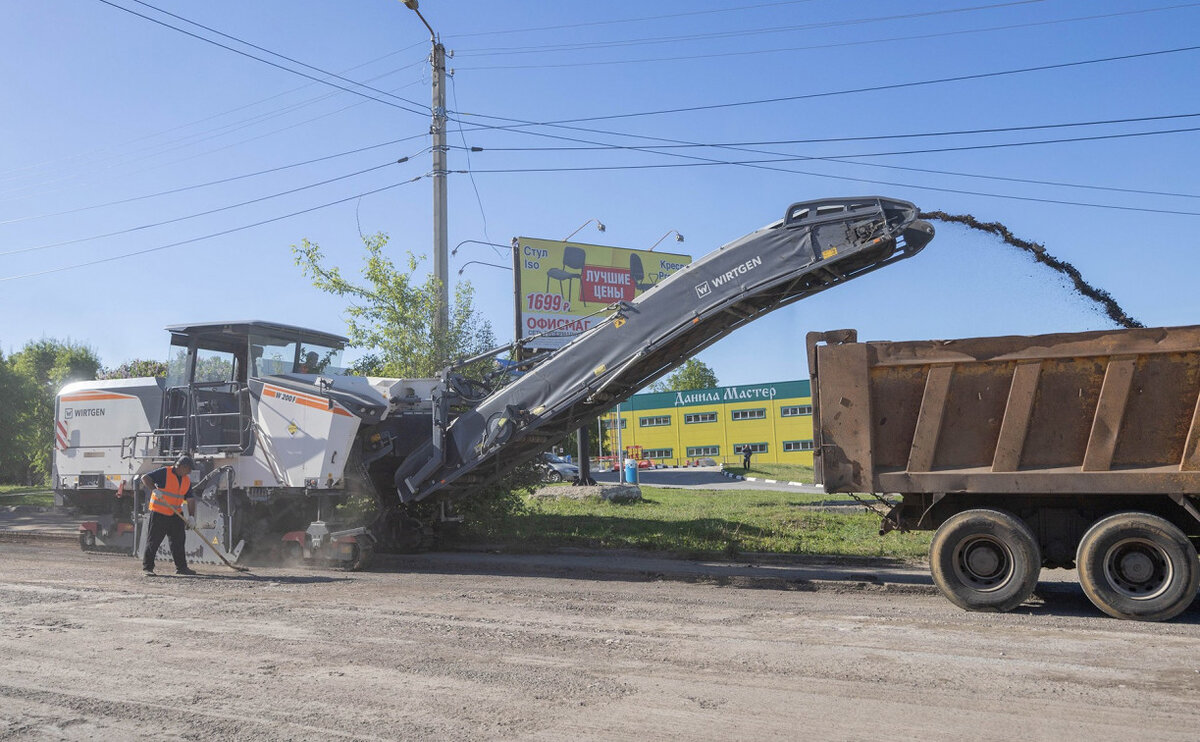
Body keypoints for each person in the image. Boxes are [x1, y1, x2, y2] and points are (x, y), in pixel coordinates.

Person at [140, 455, 198, 576]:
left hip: (175, 514)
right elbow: (145, 478)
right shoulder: (164, 472)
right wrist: (155, 490)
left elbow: (191, 499)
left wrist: (192, 517)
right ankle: (148, 568)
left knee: (178, 541)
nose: (190, 472)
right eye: (189, 469)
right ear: (182, 467)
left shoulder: (186, 480)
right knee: (154, 541)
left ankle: (181, 568)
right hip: (159, 513)